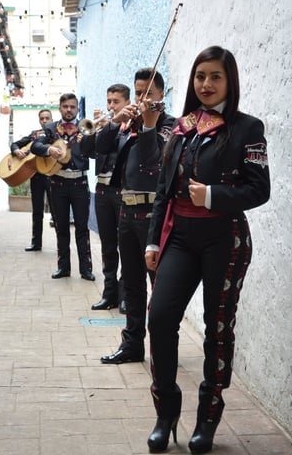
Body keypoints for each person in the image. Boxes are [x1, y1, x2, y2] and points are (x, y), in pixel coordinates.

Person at [144, 46, 270, 454]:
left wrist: (213, 196)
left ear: (229, 81)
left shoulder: (249, 128)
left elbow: (259, 189)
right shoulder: (178, 128)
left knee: (217, 331)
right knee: (160, 319)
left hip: (225, 239)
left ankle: (207, 419)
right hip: (178, 236)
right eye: (200, 76)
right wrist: (152, 239)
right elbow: (163, 190)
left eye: (215, 77)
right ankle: (166, 413)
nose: (206, 85)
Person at [98, 68, 175, 364]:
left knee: (160, 285)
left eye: (148, 93)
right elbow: (99, 148)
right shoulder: (127, 125)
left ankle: (163, 346)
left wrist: (147, 127)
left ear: (160, 95)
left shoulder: (169, 126)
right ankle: (132, 345)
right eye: (138, 92)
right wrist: (116, 121)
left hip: (154, 215)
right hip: (125, 212)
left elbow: (152, 159)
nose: (142, 99)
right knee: (130, 284)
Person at [31, 93, 96, 281]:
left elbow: (93, 154)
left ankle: (86, 269)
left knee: (82, 228)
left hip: (80, 183)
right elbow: (36, 145)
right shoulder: (50, 128)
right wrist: (48, 149)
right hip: (57, 183)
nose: (69, 110)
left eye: (72, 107)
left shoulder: (85, 128)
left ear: (77, 109)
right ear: (60, 108)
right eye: (65, 106)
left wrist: (89, 139)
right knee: (61, 227)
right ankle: (63, 268)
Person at [80, 84, 131, 314]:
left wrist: (113, 125)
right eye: (109, 101)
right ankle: (108, 294)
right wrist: (94, 128)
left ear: (127, 103)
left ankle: (126, 296)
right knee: (108, 247)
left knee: (126, 247)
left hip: (122, 192)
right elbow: (86, 151)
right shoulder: (103, 128)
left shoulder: (130, 127)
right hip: (101, 191)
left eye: (116, 101)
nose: (111, 106)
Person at [10, 109, 55, 251]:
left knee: (56, 212)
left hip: (52, 177)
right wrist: (16, 151)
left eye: (47, 118)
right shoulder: (34, 135)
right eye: (42, 118)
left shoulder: (57, 133)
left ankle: (61, 245)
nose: (44, 121)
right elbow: (15, 144)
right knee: (37, 211)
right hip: (36, 177)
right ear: (39, 120)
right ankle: (36, 243)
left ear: (52, 119)